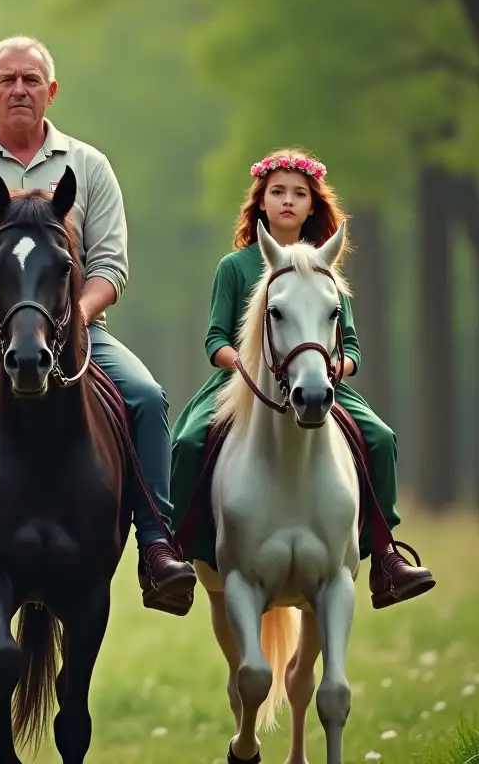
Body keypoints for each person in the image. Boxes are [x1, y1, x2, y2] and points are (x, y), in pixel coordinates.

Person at [0, 35, 197, 615]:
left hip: (73, 329)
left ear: (51, 91)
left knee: (148, 397)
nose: (19, 90)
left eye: (31, 80)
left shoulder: (90, 166)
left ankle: (157, 546)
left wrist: (76, 315)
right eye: (8, 80)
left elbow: (110, 266)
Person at [170, 148, 435, 608]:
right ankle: (176, 550)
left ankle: (386, 556)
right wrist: (248, 365)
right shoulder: (234, 267)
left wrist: (336, 368)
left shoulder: (325, 269)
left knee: (381, 437)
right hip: (244, 381)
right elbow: (215, 340)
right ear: (261, 202)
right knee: (189, 441)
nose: (288, 201)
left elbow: (349, 345)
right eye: (278, 192)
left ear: (313, 205)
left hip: (316, 379)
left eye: (299, 193)